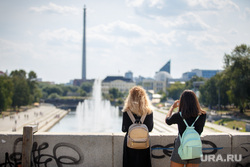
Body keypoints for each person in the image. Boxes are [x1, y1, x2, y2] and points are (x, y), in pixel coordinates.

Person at [165, 90, 206, 167]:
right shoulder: (203, 115)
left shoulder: (179, 116)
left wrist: (172, 107)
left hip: (181, 146)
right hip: (195, 147)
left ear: (182, 102)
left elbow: (167, 120)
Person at [122, 86, 154, 167]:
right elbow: (150, 129)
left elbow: (123, 129)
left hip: (130, 143)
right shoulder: (148, 111)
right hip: (144, 142)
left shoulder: (126, 112)